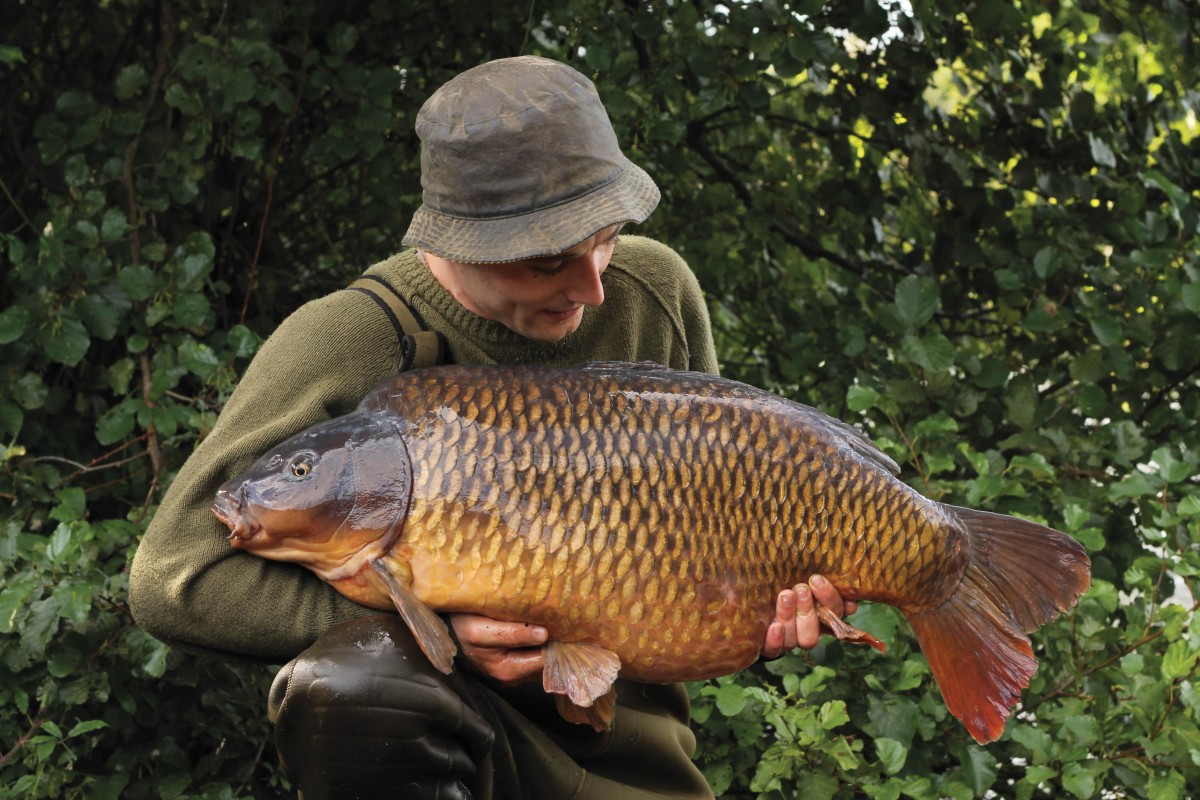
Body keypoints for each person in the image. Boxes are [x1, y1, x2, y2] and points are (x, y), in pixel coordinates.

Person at [130, 56, 855, 800]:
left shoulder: (656, 292)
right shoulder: (348, 339)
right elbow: (172, 579)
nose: (592, 286)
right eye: (547, 264)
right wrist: (434, 628)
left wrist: (767, 610)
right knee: (353, 688)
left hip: (630, 745)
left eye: (605, 237)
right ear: (457, 240)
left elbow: (721, 526)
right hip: (441, 730)